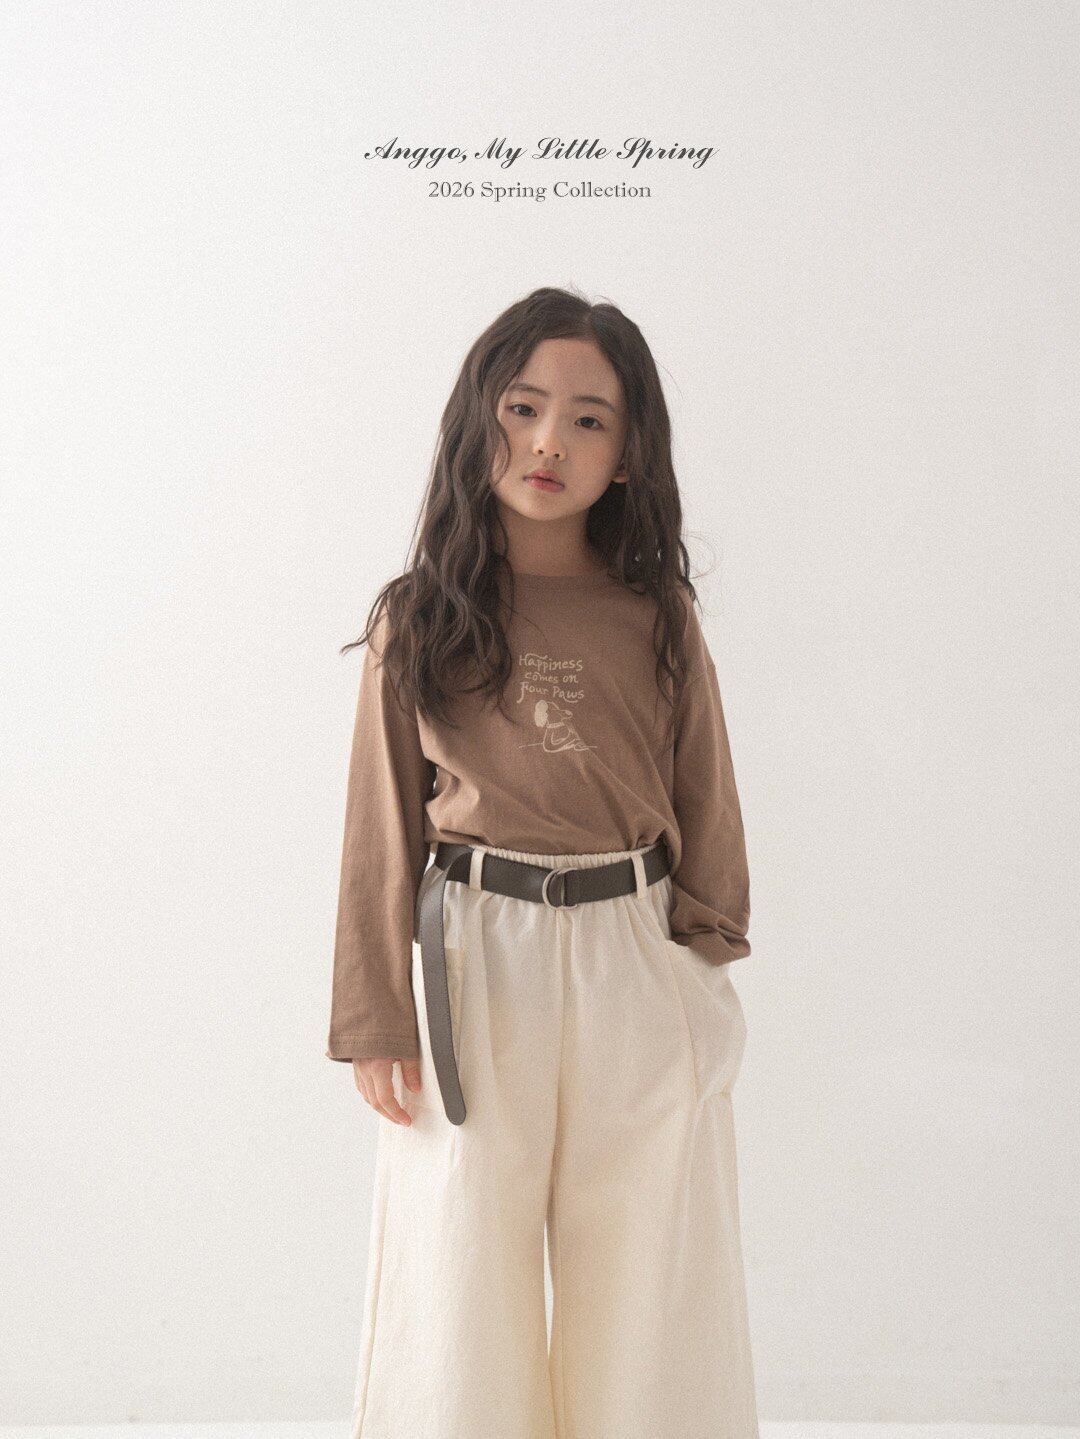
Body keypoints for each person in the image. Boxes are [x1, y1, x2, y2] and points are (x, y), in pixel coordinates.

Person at [326, 285, 758, 1438]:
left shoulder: (656, 614)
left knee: (655, 1263)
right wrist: (373, 1010)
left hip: (635, 952)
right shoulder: (419, 617)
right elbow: (380, 828)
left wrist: (706, 964)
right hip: (472, 957)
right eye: (522, 407)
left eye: (588, 419)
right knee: (457, 1260)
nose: (549, 441)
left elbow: (706, 791)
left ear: (628, 454)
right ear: (479, 419)